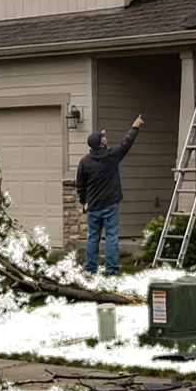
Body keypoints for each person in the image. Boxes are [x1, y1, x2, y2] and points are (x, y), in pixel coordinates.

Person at [76, 115, 143, 274]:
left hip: (93, 206)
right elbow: (126, 144)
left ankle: (90, 269)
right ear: (101, 142)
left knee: (93, 237)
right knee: (111, 237)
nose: (105, 137)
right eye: (103, 136)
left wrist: (84, 201)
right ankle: (111, 270)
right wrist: (135, 127)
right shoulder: (111, 156)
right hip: (110, 205)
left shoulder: (84, 162)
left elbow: (80, 185)